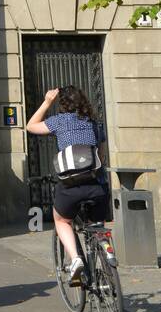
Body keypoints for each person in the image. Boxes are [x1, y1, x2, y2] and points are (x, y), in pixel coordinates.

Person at [26, 85, 110, 285]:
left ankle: (76, 259)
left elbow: (31, 126)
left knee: (62, 220)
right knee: (97, 226)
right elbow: (101, 155)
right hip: (96, 185)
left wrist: (47, 102)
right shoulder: (95, 124)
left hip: (70, 186)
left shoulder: (58, 122)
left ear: (62, 104)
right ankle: (106, 255)